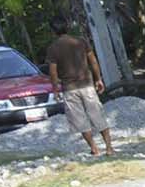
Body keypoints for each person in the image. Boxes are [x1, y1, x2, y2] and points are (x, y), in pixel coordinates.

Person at [44, 15, 115, 156]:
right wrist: (98, 79)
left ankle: (94, 149)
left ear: (52, 31)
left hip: (69, 89)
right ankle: (109, 148)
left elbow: (53, 72)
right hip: (87, 85)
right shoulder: (81, 41)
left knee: (80, 120)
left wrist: (55, 90)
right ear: (67, 27)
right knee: (98, 115)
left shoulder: (53, 48)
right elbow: (93, 61)